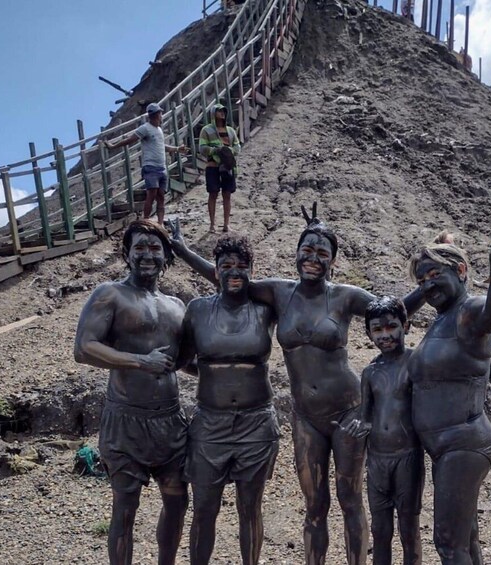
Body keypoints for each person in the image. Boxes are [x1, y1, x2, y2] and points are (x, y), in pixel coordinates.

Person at [169, 204, 423, 565]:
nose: (313, 259)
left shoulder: (344, 296)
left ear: (333, 260)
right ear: (297, 252)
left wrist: (428, 287)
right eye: (307, 250)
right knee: (315, 504)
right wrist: (183, 251)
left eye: (323, 253)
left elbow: (391, 310)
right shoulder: (278, 293)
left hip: (347, 411)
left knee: (350, 499)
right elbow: (228, 276)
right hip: (305, 417)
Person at [407, 218, 491, 565]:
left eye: (434, 276)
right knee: (466, 541)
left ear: (460, 270)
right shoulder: (442, 317)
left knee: (448, 543)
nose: (427, 285)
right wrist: (429, 270)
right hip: (446, 448)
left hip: (462, 444)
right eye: (421, 280)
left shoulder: (468, 312)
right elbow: (394, 313)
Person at [74, 219, 188, 565]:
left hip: (170, 421)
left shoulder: (176, 304)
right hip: (125, 419)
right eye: (139, 247)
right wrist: (141, 361)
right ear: (127, 253)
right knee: (125, 507)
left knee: (177, 501)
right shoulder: (110, 294)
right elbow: (84, 347)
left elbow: (185, 361)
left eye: (155, 248)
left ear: (167, 256)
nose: (147, 255)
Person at [179, 234, 279, 565]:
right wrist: (214, 376)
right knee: (204, 508)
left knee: (250, 508)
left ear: (252, 269)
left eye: (242, 266)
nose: (234, 272)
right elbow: (181, 360)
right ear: (216, 270)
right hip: (209, 424)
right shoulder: (198, 310)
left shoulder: (266, 309)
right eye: (226, 266)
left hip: (257, 423)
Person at [340, 296, 424, 565]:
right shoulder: (370, 372)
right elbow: (366, 416)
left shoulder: (415, 363)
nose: (385, 335)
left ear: (406, 326)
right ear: (368, 333)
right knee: (380, 529)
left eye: (391, 327)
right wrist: (357, 427)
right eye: (377, 329)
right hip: (377, 459)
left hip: (407, 456)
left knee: (408, 527)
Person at [104, 103, 187, 225]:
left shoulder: (158, 130)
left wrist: (176, 149)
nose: (161, 116)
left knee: (161, 196)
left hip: (161, 167)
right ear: (156, 115)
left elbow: (161, 146)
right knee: (152, 193)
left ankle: (160, 223)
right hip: (151, 166)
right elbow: (131, 139)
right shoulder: (145, 128)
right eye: (160, 113)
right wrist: (114, 146)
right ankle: (146, 219)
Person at [199, 103, 241, 233]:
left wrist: (229, 151)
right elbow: (202, 148)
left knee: (227, 194)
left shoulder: (230, 131)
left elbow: (237, 146)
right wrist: (216, 150)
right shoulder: (206, 130)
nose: (222, 113)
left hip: (227, 166)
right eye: (219, 111)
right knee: (213, 193)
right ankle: (212, 225)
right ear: (213, 113)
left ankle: (226, 224)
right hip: (213, 166)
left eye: (223, 111)